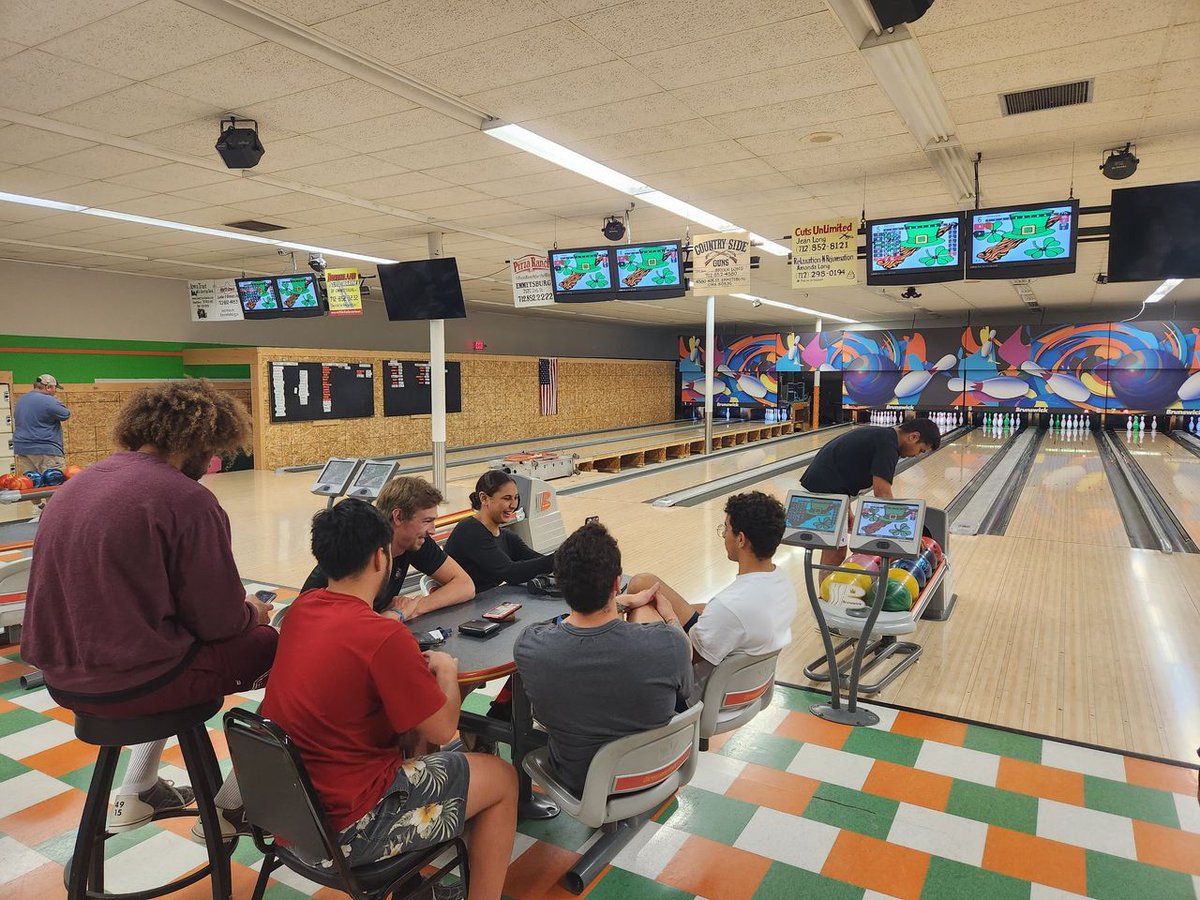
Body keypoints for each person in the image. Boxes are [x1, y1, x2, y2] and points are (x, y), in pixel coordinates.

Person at [21, 380, 276, 832]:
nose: (211, 462)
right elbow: (218, 622)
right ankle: (235, 803)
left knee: (167, 644)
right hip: (139, 684)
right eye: (212, 450)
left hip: (63, 681)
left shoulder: (75, 487)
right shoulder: (187, 499)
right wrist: (252, 612)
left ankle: (138, 788)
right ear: (198, 440)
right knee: (287, 650)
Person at [261, 498, 515, 900]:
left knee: (410, 740)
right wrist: (447, 674)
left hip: (287, 816)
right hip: (347, 831)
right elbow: (442, 730)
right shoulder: (383, 636)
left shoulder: (301, 610)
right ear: (381, 557)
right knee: (502, 778)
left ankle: (413, 889)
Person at [514, 522, 692, 795]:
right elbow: (685, 693)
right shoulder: (671, 643)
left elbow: (562, 628)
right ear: (617, 583)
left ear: (561, 585)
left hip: (580, 784)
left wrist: (621, 603)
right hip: (657, 772)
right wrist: (667, 616)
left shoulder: (531, 646)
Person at [623, 492, 796, 702]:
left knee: (641, 611)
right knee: (644, 582)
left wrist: (668, 617)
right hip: (742, 676)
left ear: (741, 539)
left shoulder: (729, 605)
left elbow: (682, 657)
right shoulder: (782, 581)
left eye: (726, 528)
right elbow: (723, 615)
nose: (723, 535)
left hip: (694, 695)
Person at [300, 475, 474, 621]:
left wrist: (413, 607)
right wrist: (393, 616)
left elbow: (465, 585)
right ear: (398, 516)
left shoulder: (415, 543)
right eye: (427, 521)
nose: (433, 530)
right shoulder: (356, 551)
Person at [800, 417, 940, 565]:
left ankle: (825, 580)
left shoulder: (885, 437)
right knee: (836, 551)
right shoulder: (888, 446)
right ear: (914, 436)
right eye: (920, 450)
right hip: (825, 489)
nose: (917, 455)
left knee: (834, 549)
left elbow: (844, 469)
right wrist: (909, 536)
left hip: (826, 486)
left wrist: (847, 508)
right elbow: (882, 493)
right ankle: (825, 581)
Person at [444, 470, 553, 594]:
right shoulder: (470, 531)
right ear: (484, 498)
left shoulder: (506, 536)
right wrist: (559, 558)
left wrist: (564, 560)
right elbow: (511, 573)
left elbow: (537, 560)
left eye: (516, 498)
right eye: (507, 498)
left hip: (487, 601)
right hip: (464, 605)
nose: (513, 505)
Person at [13, 373, 70, 475]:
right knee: (55, 481)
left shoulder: (21, 399)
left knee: (33, 481)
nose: (55, 391)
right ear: (48, 387)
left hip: (22, 448)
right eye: (55, 388)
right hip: (45, 449)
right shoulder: (48, 400)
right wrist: (55, 400)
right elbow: (65, 414)